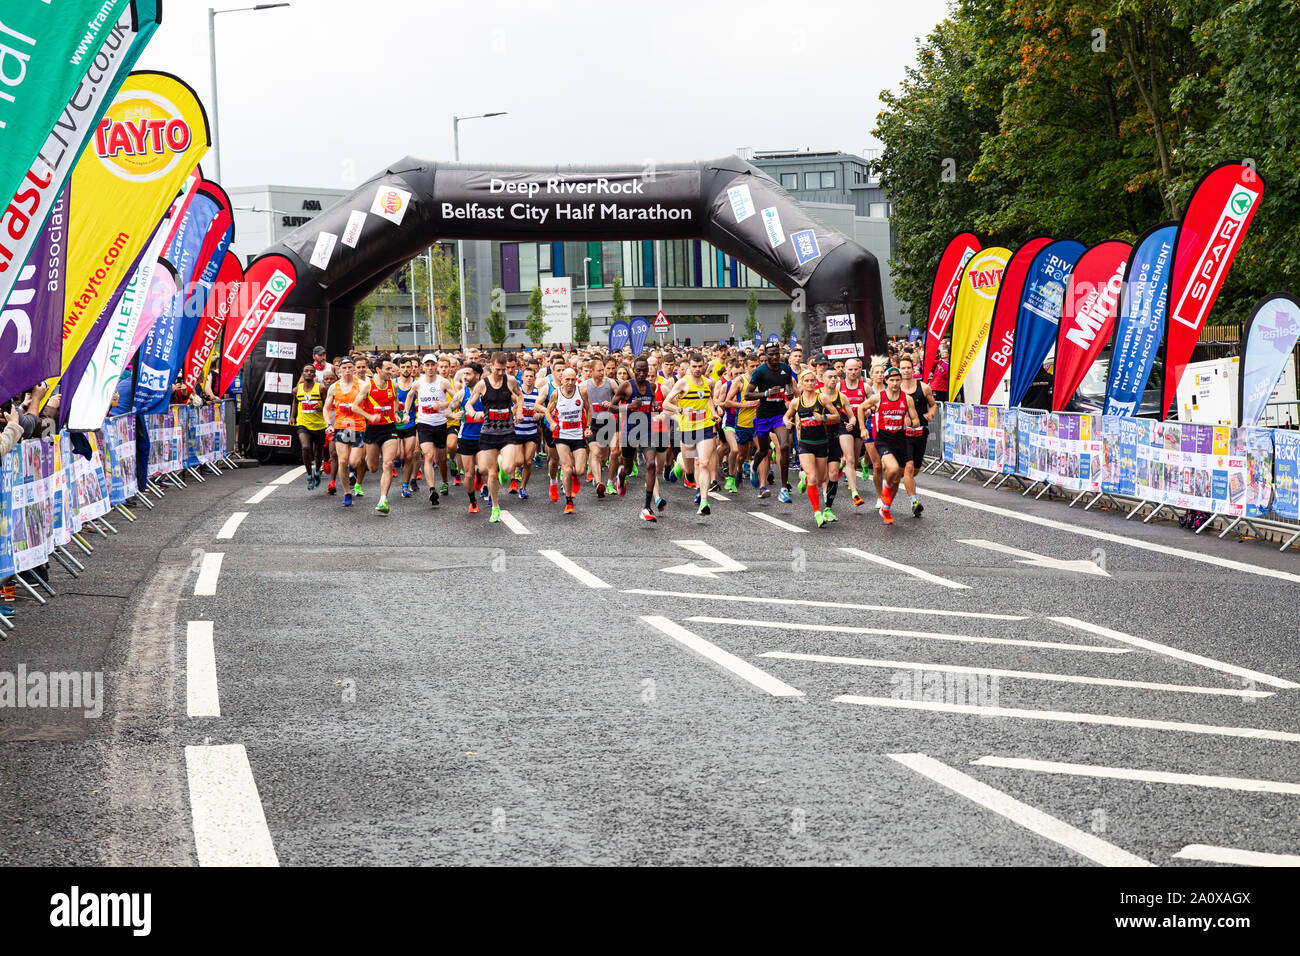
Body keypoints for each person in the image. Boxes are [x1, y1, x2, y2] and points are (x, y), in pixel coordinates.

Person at [860, 366, 922, 525]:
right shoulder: (878, 398)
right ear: (886, 381)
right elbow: (861, 408)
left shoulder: (907, 399)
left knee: (896, 479)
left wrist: (912, 423)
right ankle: (883, 497)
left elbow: (916, 420)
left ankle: (886, 507)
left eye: (897, 380)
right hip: (883, 439)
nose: (895, 383)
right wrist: (862, 428)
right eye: (892, 380)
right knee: (892, 470)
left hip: (901, 440)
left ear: (901, 380)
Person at [468, 352, 524, 524]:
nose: (501, 373)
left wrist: (519, 411)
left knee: (508, 468)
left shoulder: (510, 381)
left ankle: (502, 463)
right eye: (498, 369)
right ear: (491, 366)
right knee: (489, 473)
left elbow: (520, 396)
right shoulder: (482, 385)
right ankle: (495, 507)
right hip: (488, 432)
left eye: (504, 369)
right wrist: (473, 413)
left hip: (507, 431)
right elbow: (469, 403)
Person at [662, 351, 721, 516]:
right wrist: (681, 409)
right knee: (689, 468)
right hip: (688, 428)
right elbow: (665, 404)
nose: (697, 369)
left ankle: (703, 501)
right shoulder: (682, 383)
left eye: (699, 366)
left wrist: (713, 412)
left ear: (704, 366)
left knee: (702, 462)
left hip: (706, 426)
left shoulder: (708, 382)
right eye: (694, 366)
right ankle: (679, 461)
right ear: (689, 366)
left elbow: (708, 399)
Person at [784, 369, 840, 527]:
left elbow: (836, 416)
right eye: (806, 381)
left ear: (816, 382)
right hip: (805, 444)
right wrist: (787, 422)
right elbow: (786, 416)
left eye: (812, 381)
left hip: (821, 442)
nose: (809, 384)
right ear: (801, 383)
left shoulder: (822, 398)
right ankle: (817, 513)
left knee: (821, 479)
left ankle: (805, 478)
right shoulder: (797, 402)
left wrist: (822, 417)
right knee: (814, 477)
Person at [614, 357, 666, 521]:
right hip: (629, 432)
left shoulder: (651, 386)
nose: (642, 374)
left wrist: (656, 406)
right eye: (639, 370)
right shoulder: (626, 386)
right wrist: (628, 406)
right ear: (633, 370)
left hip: (647, 431)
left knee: (651, 464)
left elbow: (651, 403)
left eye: (645, 371)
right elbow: (611, 406)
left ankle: (646, 507)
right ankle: (621, 476)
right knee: (628, 468)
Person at [353, 359, 402, 515]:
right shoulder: (368, 385)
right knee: (373, 467)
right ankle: (361, 479)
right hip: (373, 429)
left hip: (389, 428)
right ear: (378, 370)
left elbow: (395, 400)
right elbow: (354, 407)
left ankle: (382, 500)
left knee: (388, 464)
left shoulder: (393, 385)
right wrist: (369, 416)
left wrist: (396, 413)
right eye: (387, 369)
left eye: (391, 369)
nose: (391, 371)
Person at [749, 343, 796, 501]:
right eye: (771, 354)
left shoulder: (785, 368)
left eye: (777, 353)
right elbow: (748, 395)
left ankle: (783, 489)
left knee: (783, 446)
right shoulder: (760, 371)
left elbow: (789, 383)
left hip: (779, 414)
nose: (775, 357)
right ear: (766, 355)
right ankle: (754, 467)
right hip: (763, 415)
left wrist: (789, 392)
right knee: (763, 451)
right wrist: (766, 393)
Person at [545, 367, 592, 515]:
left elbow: (588, 409)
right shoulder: (556, 393)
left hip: (578, 435)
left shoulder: (581, 392)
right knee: (566, 467)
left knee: (580, 470)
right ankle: (568, 501)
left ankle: (573, 477)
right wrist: (552, 423)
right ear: (561, 380)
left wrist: (588, 427)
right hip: (562, 435)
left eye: (573, 379)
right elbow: (547, 411)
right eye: (567, 379)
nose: (570, 382)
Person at [407, 353, 452, 507]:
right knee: (428, 455)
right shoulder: (418, 384)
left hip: (440, 424)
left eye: (433, 365)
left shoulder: (444, 382)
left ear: (436, 366)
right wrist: (406, 412)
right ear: (423, 367)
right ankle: (432, 489)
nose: (430, 368)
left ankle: (445, 481)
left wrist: (444, 405)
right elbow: (409, 397)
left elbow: (456, 399)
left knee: (441, 459)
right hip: (424, 424)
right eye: (427, 365)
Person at [323, 357, 368, 504]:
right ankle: (347, 493)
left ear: (354, 368)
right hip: (341, 426)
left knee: (355, 462)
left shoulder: (362, 385)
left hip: (358, 426)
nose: (347, 370)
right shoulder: (333, 387)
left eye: (350, 367)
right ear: (339, 370)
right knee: (342, 461)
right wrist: (328, 424)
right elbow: (326, 407)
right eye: (344, 368)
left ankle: (352, 475)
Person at [898, 355, 936, 517]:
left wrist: (930, 413)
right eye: (903, 368)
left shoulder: (924, 387)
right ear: (899, 370)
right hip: (903, 434)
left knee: (915, 470)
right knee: (909, 468)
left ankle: (899, 479)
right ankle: (914, 502)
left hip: (921, 432)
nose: (906, 371)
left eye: (908, 368)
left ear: (913, 369)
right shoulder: (895, 388)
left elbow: (933, 405)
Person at [289, 363, 327, 489]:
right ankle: (309, 475)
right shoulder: (296, 389)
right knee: (305, 447)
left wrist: (321, 408)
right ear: (303, 374)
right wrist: (292, 417)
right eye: (307, 371)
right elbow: (295, 402)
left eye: (311, 371)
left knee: (318, 452)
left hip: (319, 424)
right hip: (303, 423)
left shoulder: (321, 388)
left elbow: (327, 405)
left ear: (314, 374)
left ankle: (317, 471)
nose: (309, 373)